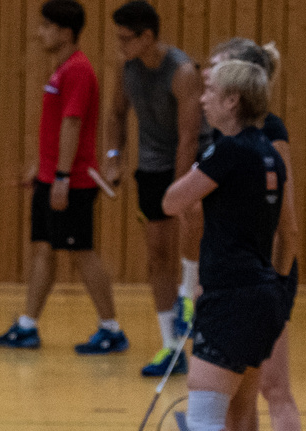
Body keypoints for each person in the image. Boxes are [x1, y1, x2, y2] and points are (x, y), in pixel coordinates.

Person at [162, 55, 289, 431]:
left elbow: (172, 201)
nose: (202, 98)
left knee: (208, 419)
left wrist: (194, 163)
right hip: (263, 295)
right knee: (244, 421)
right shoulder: (268, 154)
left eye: (211, 91)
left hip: (231, 299)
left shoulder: (230, 152)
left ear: (233, 100)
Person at [0, 0, 128, 355]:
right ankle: (27, 326)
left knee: (82, 252)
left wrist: (62, 177)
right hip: (52, 175)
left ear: (65, 32)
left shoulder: (79, 71)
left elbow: (72, 124)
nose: (40, 33)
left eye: (46, 27)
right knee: (42, 248)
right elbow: (56, 127)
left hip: (73, 181)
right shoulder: (62, 69)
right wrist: (41, 166)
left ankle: (111, 329)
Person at [101, 1, 203, 376]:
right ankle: (172, 347)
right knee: (158, 254)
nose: (120, 45)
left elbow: (190, 136)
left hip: (193, 161)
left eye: (126, 39)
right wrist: (114, 157)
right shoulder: (127, 69)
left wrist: (180, 187)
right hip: (152, 164)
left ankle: (189, 293)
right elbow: (115, 115)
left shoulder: (182, 71)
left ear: (148, 36)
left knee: (195, 235)